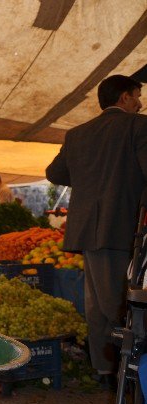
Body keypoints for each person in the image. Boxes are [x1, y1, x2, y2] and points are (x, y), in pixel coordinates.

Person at [46, 74, 147, 385]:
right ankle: (124, 374)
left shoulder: (77, 134)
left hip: (87, 229)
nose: (140, 102)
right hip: (123, 227)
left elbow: (55, 172)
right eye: (137, 95)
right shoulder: (138, 126)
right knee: (120, 303)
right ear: (125, 97)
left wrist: (91, 177)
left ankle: (105, 370)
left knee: (97, 303)